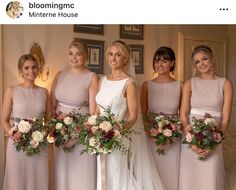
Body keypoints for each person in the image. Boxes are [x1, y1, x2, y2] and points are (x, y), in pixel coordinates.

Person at [95, 40, 165, 190]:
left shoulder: (129, 83)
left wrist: (117, 130)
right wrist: (91, 125)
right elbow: (97, 109)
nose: (113, 59)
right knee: (103, 173)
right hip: (99, 136)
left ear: (125, 59)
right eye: (111, 54)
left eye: (118, 55)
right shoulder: (102, 81)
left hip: (118, 137)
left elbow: (133, 116)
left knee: (117, 173)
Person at [179, 45, 233, 190]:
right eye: (197, 62)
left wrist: (214, 143)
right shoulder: (189, 84)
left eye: (204, 59)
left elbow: (226, 119)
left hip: (214, 142)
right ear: (194, 65)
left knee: (210, 181)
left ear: (212, 59)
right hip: (191, 142)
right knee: (191, 181)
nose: (201, 64)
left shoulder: (225, 84)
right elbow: (183, 115)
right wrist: (191, 140)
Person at [50, 39, 99, 190]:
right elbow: (51, 106)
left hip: (82, 134)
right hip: (60, 133)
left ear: (85, 56)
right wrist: (57, 130)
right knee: (62, 172)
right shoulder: (59, 75)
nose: (74, 57)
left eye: (78, 54)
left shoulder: (92, 77)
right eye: (71, 54)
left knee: (80, 174)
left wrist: (77, 134)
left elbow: (93, 113)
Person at [2, 54, 50, 190]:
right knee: (17, 181)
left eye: (34, 67)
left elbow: (49, 119)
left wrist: (45, 132)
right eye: (27, 68)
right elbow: (4, 120)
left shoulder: (44, 92)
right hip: (17, 145)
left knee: (38, 181)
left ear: (38, 69)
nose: (31, 71)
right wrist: (14, 134)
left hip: (39, 145)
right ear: (20, 70)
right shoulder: (12, 91)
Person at [140, 46, 182, 190]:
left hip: (174, 138)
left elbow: (182, 115)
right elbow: (144, 113)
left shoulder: (180, 86)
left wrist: (173, 133)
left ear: (172, 63)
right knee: (153, 173)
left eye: (164, 61)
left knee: (172, 172)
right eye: (157, 61)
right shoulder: (147, 85)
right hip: (151, 138)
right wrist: (151, 133)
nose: (160, 64)